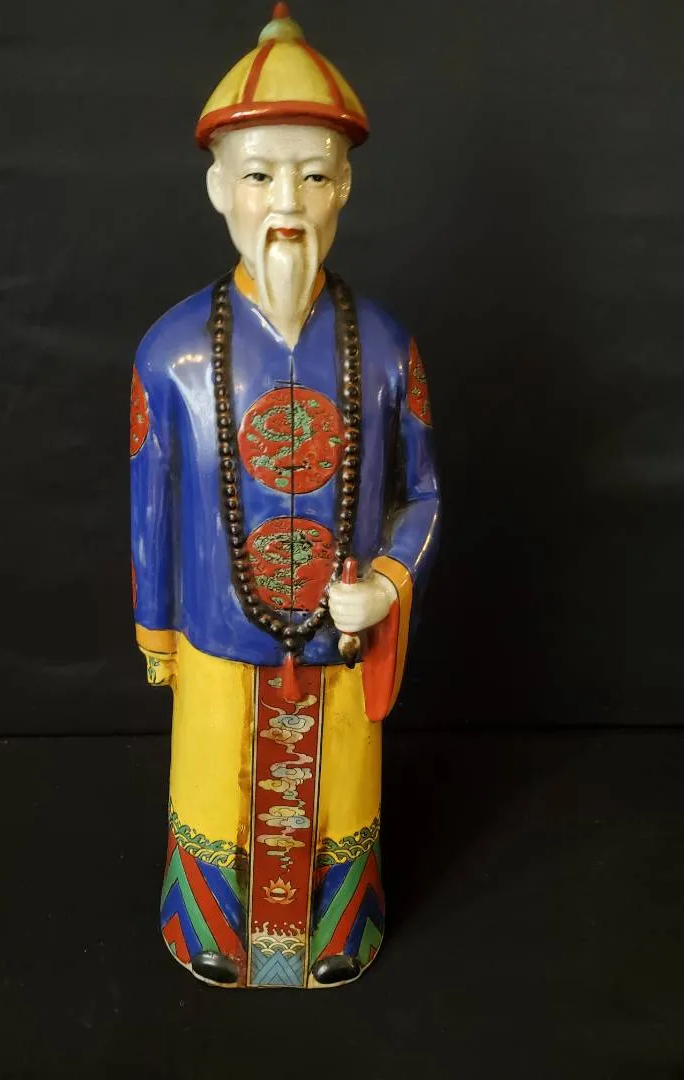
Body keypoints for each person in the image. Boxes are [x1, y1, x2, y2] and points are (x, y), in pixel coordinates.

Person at [130, 3, 439, 988]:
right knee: (214, 786)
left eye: (312, 174)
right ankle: (210, 926)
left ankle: (339, 926)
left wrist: (385, 584)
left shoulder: (384, 347)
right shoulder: (171, 352)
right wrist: (157, 631)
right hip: (220, 636)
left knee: (340, 787)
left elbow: (424, 493)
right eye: (260, 174)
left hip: (339, 644)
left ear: (345, 185)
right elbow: (149, 506)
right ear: (218, 187)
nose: (286, 202)